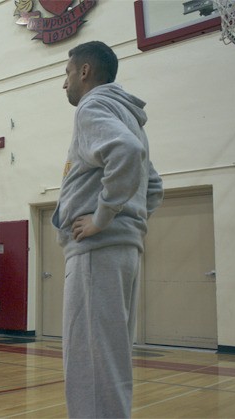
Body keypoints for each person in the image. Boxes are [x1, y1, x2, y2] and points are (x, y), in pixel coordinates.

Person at [52, 41, 164, 418]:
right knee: (110, 359)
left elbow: (127, 153)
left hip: (97, 252)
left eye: (67, 73)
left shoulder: (93, 106)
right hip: (121, 251)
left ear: (84, 71)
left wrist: (102, 219)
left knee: (90, 362)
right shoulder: (127, 114)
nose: (64, 84)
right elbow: (153, 186)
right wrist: (127, 224)